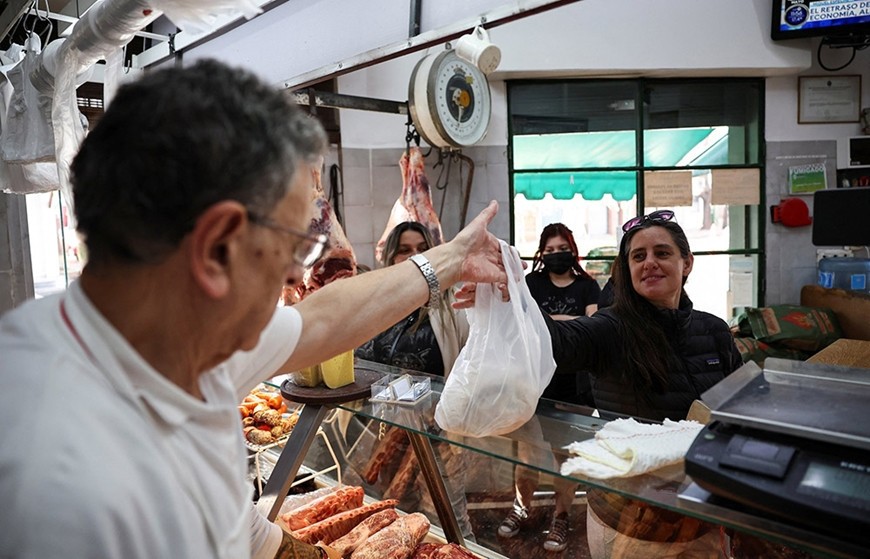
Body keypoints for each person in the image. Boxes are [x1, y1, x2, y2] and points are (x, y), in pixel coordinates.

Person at [0, 60, 506, 559]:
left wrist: (451, 258)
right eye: (287, 246)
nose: (293, 277)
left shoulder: (185, 337)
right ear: (215, 246)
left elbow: (323, 321)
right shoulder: (56, 458)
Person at [457, 210, 742, 558]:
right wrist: (511, 296)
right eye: (638, 256)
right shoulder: (612, 328)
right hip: (627, 517)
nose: (649, 262)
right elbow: (557, 341)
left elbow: (739, 411)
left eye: (662, 253)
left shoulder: (713, 331)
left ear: (687, 263)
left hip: (700, 513)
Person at [498, 223, 600, 552]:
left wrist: (548, 321)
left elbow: (593, 326)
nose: (557, 255)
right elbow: (521, 322)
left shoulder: (588, 286)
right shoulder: (532, 283)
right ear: (542, 254)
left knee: (564, 457)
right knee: (527, 454)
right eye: (550, 250)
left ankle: (561, 516)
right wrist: (565, 323)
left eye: (562, 248)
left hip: (574, 386)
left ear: (573, 249)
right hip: (535, 383)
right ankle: (521, 507)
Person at [355, 221, 469, 377]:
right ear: (391, 257)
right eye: (404, 250)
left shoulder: (455, 304)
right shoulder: (376, 302)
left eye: (423, 249)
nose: (416, 255)